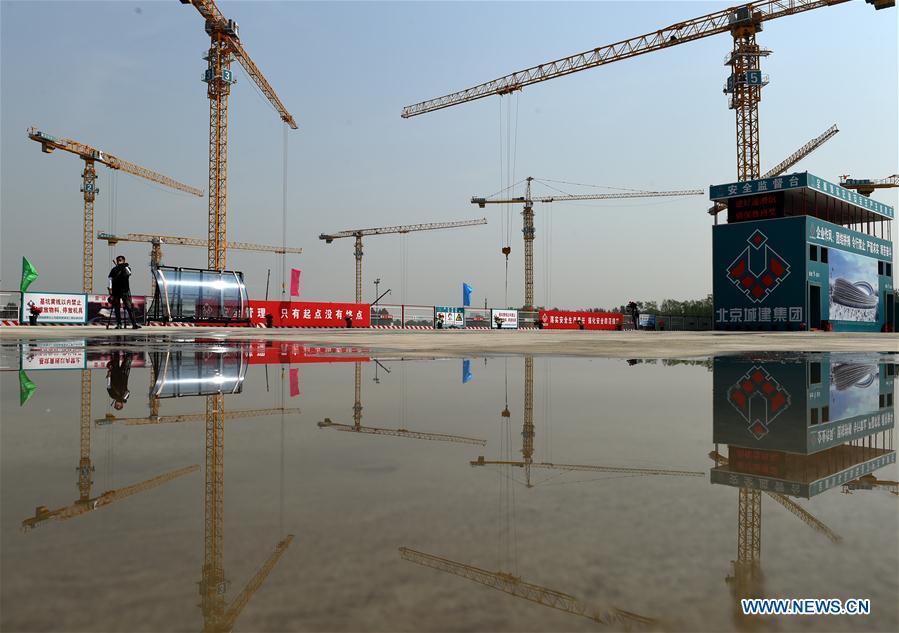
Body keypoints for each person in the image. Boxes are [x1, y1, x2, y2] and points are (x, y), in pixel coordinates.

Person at [108, 255, 140, 329]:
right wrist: (110, 288)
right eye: (118, 260)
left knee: (129, 307)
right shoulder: (114, 269)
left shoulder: (126, 268)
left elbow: (129, 273)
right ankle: (119, 324)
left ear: (123, 261)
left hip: (125, 290)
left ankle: (134, 324)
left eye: (120, 260)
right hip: (116, 291)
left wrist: (123, 266)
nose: (118, 261)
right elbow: (110, 279)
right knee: (117, 308)